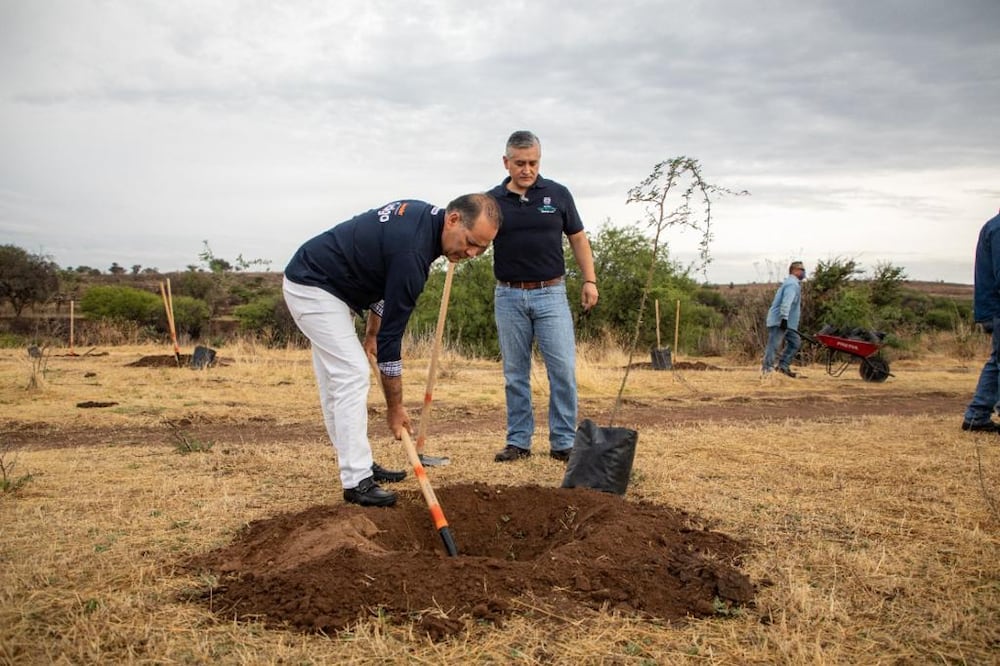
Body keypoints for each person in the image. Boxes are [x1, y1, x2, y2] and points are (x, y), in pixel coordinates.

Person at [283, 194, 502, 506]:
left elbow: (384, 285)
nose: (471, 253)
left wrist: (370, 333)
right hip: (313, 286)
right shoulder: (413, 253)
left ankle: (356, 461)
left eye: (481, 248)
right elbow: (392, 341)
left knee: (337, 382)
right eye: (470, 242)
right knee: (352, 375)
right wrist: (395, 408)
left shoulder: (422, 218)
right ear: (453, 219)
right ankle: (357, 480)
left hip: (332, 286)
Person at [487, 130, 599, 463]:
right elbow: (474, 236)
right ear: (506, 162)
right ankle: (518, 442)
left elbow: (578, 239)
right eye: (519, 163)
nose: (527, 169)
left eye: (533, 162)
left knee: (562, 369)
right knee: (514, 373)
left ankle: (564, 441)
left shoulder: (558, 194)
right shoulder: (491, 201)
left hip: (551, 294)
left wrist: (589, 280)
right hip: (508, 296)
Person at [962, 210, 1000, 432]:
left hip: (992, 307)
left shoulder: (993, 226)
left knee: (997, 361)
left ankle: (977, 416)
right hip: (997, 308)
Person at [762, 261, 807, 378]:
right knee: (774, 345)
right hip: (780, 321)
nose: (803, 272)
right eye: (801, 270)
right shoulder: (792, 285)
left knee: (795, 342)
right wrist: (784, 319)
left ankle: (783, 367)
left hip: (788, 323)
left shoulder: (792, 283)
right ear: (794, 270)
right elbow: (786, 303)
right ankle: (767, 370)